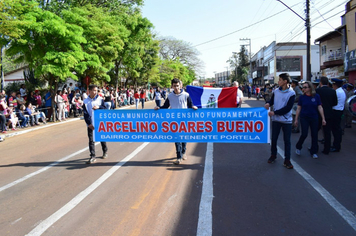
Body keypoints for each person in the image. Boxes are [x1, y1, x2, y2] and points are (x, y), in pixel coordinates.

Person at [154, 78, 198, 165]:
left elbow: (190, 105)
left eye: (177, 85)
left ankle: (183, 152)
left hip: (184, 120)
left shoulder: (186, 95)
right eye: (174, 86)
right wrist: (158, 107)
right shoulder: (170, 96)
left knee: (184, 137)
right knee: (177, 138)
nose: (176, 87)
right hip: (174, 121)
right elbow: (165, 106)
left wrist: (193, 107)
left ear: (180, 85)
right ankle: (179, 157)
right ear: (172, 86)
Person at [264, 73, 296, 169]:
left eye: (280, 80)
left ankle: (287, 160)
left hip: (286, 120)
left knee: (287, 141)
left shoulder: (291, 93)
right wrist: (268, 104)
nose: (278, 82)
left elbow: (288, 108)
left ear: (285, 81)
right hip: (276, 120)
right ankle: (273, 155)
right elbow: (272, 101)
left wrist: (275, 112)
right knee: (274, 139)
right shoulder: (276, 91)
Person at [294, 81, 326, 159]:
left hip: (314, 117)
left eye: (305, 87)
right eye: (303, 87)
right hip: (304, 117)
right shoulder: (302, 97)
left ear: (310, 88)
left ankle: (314, 151)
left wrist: (323, 118)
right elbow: (298, 108)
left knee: (314, 134)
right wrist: (296, 119)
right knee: (304, 134)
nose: (303, 89)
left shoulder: (316, 96)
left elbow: (320, 107)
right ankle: (298, 147)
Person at [83, 84, 108, 164]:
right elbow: (85, 113)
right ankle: (92, 156)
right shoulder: (86, 101)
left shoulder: (100, 99)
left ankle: (105, 151)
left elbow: (104, 109)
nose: (95, 92)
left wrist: (99, 107)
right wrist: (89, 123)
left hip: (99, 123)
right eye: (94, 90)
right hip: (91, 124)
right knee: (91, 140)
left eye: (96, 90)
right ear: (89, 91)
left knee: (101, 138)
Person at [316, 76, 338, 154]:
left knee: (315, 130)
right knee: (327, 132)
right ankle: (327, 149)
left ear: (320, 83)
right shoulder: (332, 91)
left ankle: (314, 147)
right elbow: (335, 103)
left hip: (318, 114)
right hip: (329, 113)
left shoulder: (318, 90)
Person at [330, 78, 346, 152]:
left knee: (336, 130)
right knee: (337, 129)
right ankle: (336, 145)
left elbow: (333, 102)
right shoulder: (341, 91)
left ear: (335, 85)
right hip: (339, 111)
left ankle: (336, 146)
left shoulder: (337, 92)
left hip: (336, 111)